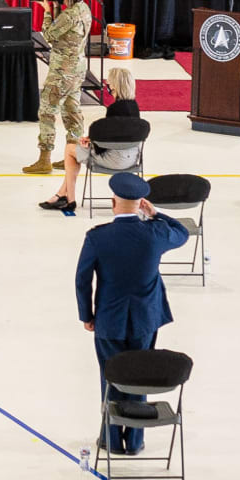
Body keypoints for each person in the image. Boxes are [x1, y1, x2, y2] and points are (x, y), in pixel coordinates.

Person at [74, 173, 188, 455]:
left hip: (109, 320)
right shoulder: (155, 234)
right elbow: (182, 233)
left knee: (110, 377)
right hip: (145, 319)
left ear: (113, 202)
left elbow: (82, 279)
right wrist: (156, 214)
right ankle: (135, 441)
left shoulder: (98, 237)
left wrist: (86, 314)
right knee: (139, 376)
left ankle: (110, 440)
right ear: (141, 204)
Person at [39, 67, 141, 216]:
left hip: (113, 159)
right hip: (132, 159)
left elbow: (105, 146)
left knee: (70, 149)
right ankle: (62, 194)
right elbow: (118, 134)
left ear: (115, 86)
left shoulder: (114, 109)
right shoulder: (134, 107)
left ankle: (70, 199)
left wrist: (91, 144)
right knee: (75, 150)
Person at [23, 0, 91, 175]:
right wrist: (56, 8)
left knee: (47, 111)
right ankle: (74, 154)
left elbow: (49, 35)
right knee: (72, 110)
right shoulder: (83, 8)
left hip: (62, 71)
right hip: (78, 68)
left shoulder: (69, 15)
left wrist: (46, 11)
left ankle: (44, 159)